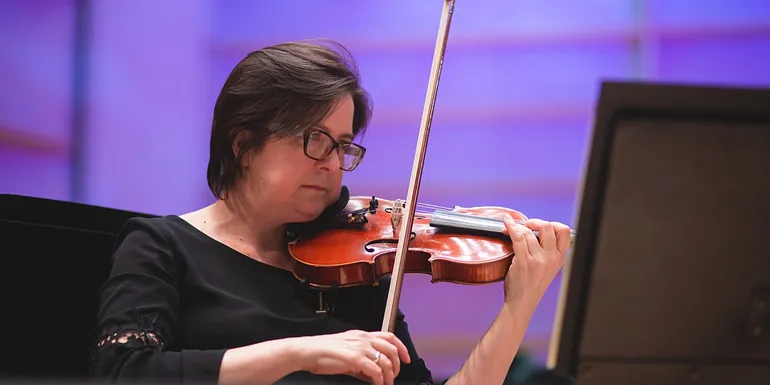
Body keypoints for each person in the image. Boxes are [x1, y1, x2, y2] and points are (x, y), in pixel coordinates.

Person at [89, 40, 573, 385]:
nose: (331, 164)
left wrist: (519, 306)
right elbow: (123, 371)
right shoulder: (162, 247)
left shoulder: (351, 268)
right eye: (313, 139)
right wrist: (300, 353)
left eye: (341, 146)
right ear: (244, 145)